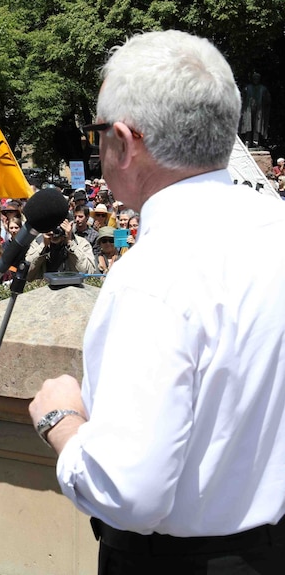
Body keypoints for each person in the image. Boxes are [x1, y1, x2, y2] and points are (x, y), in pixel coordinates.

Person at [29, 30, 285, 573]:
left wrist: (62, 420)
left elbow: (128, 494)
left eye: (95, 132)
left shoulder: (154, 276)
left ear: (123, 140)